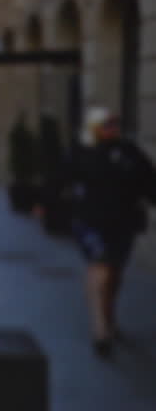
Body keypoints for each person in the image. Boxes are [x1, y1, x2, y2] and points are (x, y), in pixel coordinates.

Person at [66, 108, 156, 358]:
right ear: (94, 127)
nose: (113, 129)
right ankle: (100, 329)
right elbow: (62, 177)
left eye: (115, 124)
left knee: (114, 272)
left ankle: (109, 316)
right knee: (100, 266)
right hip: (90, 222)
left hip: (123, 223)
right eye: (107, 125)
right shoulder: (80, 151)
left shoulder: (129, 152)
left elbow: (149, 182)